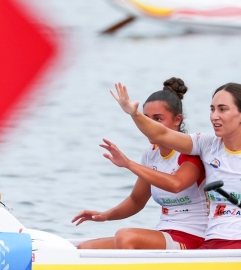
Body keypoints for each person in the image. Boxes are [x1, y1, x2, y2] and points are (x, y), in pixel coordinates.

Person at [111, 81, 241, 249]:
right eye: (212, 109)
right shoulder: (206, 145)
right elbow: (161, 135)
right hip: (211, 244)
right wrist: (134, 113)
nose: (214, 116)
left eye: (222, 109)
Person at [74, 78, 207, 250]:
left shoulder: (191, 151)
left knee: (125, 237)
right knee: (87, 248)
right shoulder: (151, 153)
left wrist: (129, 164)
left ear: (177, 120)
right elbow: (136, 200)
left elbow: (176, 185)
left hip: (194, 238)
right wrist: (104, 215)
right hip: (166, 234)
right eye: (146, 118)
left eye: (158, 119)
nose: (149, 125)